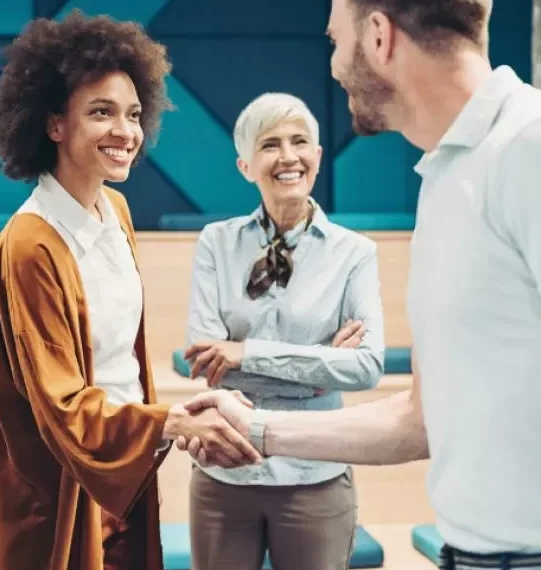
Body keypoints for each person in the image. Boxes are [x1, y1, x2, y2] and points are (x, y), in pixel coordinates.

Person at [180, 1, 541, 569]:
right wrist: (256, 427)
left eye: (335, 41)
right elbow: (420, 420)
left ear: (378, 37)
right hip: (471, 555)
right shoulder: (446, 176)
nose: (334, 66)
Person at [0, 11, 261, 570]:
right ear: (54, 124)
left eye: (133, 114)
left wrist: (175, 415)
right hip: (63, 490)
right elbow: (62, 406)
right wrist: (173, 423)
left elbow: (121, 366)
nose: (126, 132)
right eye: (101, 113)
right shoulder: (31, 243)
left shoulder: (117, 210)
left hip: (126, 469)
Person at [182, 92, 385, 570]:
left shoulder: (355, 253)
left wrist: (245, 354)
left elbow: (367, 367)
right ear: (246, 165)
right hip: (226, 471)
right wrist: (319, 369)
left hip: (315, 472)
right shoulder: (216, 243)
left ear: (316, 156)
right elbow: (208, 365)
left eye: (300, 142)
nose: (288, 156)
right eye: (270, 144)